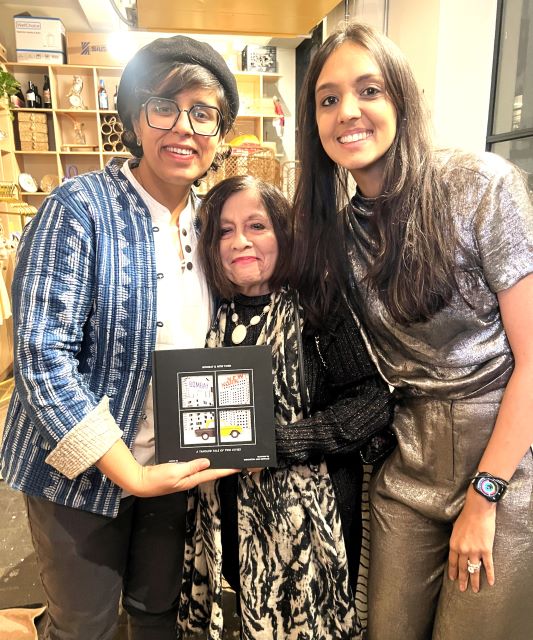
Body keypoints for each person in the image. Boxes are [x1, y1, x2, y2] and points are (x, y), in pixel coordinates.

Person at [291, 20, 533, 640]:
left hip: (504, 462)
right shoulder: (337, 234)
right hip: (408, 461)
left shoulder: (480, 187)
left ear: (401, 97)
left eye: (368, 89)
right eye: (328, 98)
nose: (348, 110)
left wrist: (485, 495)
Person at [0, 35, 241, 640]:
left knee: (158, 611)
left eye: (203, 112)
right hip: (76, 476)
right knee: (85, 625)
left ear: (219, 132)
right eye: (164, 106)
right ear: (136, 117)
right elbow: (40, 356)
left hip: (173, 463)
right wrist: (126, 472)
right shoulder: (78, 208)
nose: (183, 127)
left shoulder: (212, 220)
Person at [177, 175, 395, 640]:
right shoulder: (209, 314)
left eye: (256, 226)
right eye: (224, 230)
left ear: (282, 232)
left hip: (310, 522)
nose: (240, 242)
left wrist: (280, 442)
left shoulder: (317, 308)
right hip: (228, 512)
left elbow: (374, 400)